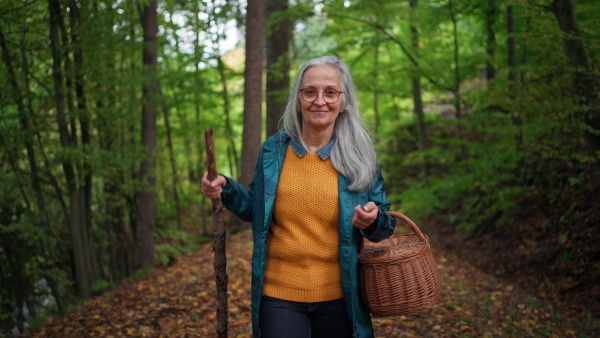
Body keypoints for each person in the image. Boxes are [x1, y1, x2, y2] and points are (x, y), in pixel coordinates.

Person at [201, 55, 396, 338]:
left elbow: (385, 226)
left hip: (341, 296)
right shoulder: (274, 150)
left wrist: (374, 220)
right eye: (310, 91)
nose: (320, 100)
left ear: (343, 103)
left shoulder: (359, 158)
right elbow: (255, 209)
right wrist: (226, 188)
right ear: (298, 99)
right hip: (279, 294)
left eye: (330, 92)